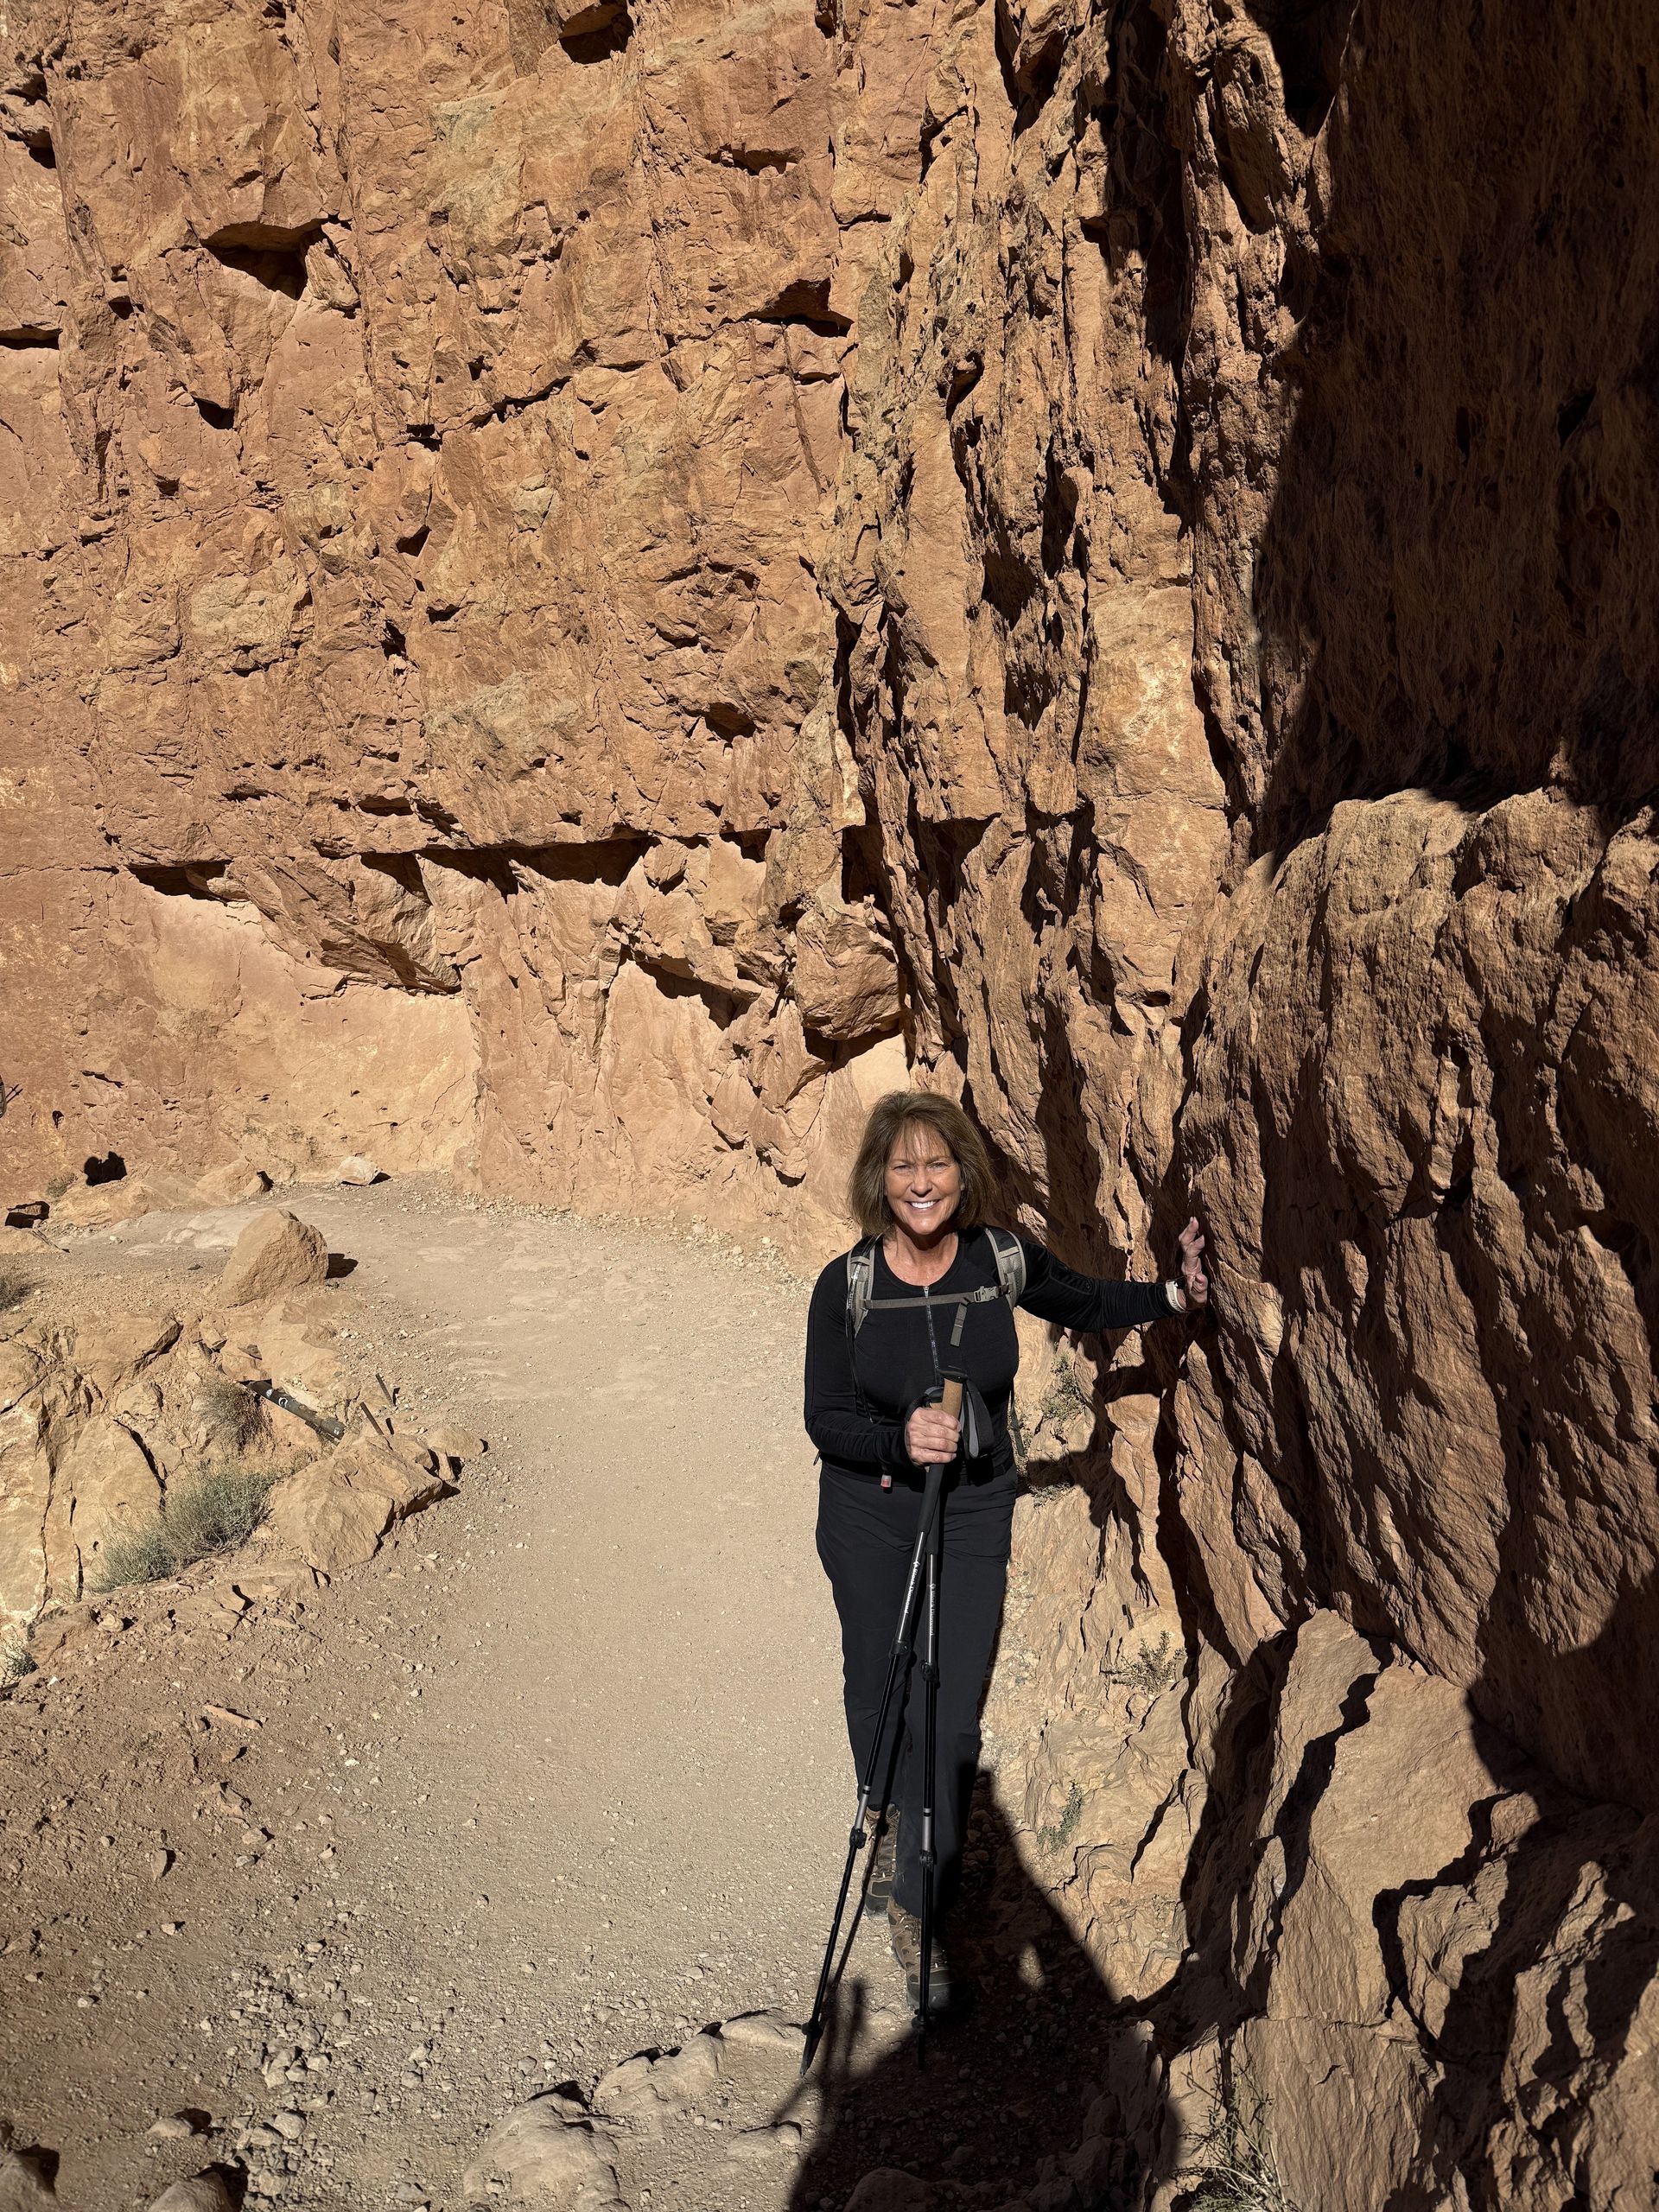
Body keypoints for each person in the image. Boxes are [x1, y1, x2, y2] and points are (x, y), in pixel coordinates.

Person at [804, 1090, 1208, 2012]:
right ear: (879, 1179)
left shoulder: (999, 1259)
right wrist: (899, 1439)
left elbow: (1087, 1298)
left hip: (976, 1504)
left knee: (951, 1710)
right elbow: (822, 1418)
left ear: (964, 1172)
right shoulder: (849, 1284)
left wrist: (1176, 1293)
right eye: (902, 1166)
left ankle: (916, 1899)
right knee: (881, 1690)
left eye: (937, 1162)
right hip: (871, 1510)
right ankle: (890, 1801)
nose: (921, 1182)